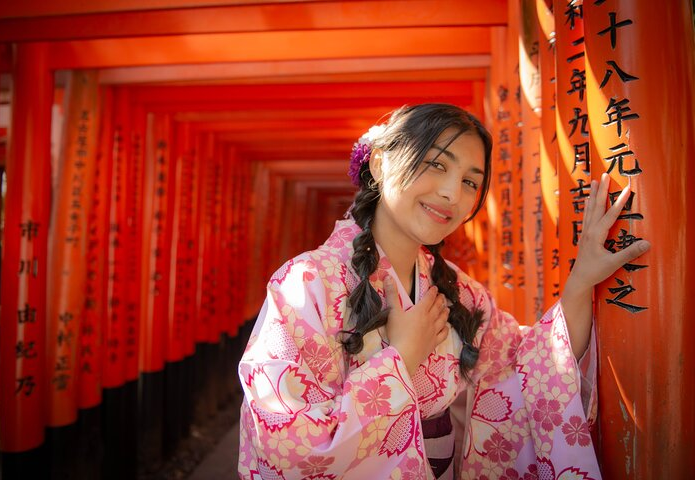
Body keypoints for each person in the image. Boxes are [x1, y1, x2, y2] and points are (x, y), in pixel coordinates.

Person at [237, 103, 649, 479]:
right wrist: (402, 359)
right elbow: (287, 443)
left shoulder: (458, 292)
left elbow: (528, 371)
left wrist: (579, 285)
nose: (453, 194)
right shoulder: (306, 283)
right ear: (379, 164)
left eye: (471, 181)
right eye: (436, 165)